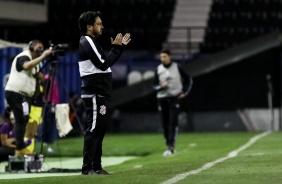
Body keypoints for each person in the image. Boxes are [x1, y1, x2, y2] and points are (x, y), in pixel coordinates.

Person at [77, 11, 131, 175]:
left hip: (101, 94)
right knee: (93, 129)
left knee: (99, 130)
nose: (102, 26)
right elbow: (103, 64)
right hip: (94, 94)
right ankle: (87, 168)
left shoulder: (93, 42)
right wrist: (116, 48)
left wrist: (117, 49)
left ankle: (97, 167)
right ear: (89, 27)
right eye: (99, 23)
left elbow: (105, 63)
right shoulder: (87, 40)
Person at [4, 39, 52, 156]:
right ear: (31, 48)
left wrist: (45, 77)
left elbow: (37, 74)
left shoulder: (32, 61)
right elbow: (26, 66)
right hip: (16, 93)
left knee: (23, 120)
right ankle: (20, 148)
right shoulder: (24, 56)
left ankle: (21, 147)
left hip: (24, 96)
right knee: (20, 121)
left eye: (42, 48)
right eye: (39, 47)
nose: (41, 50)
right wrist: (44, 56)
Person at [153, 49, 193, 157]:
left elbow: (188, 79)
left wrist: (184, 92)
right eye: (161, 57)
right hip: (162, 99)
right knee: (164, 124)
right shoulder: (158, 69)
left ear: (169, 57)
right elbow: (154, 86)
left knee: (172, 122)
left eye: (164, 57)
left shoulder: (177, 67)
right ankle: (168, 144)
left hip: (174, 98)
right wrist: (161, 86)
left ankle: (171, 146)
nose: (162, 59)